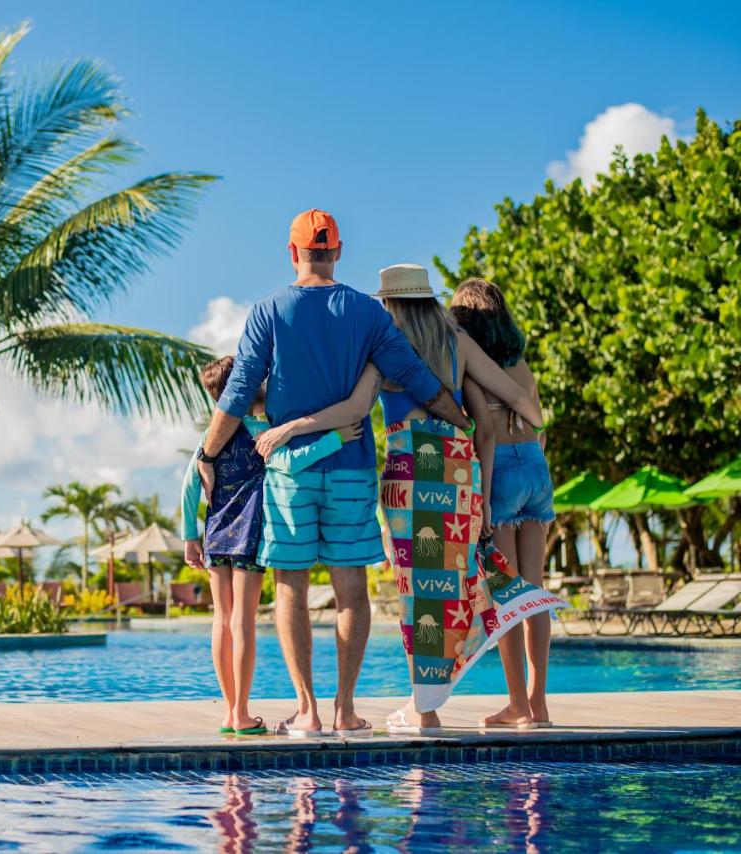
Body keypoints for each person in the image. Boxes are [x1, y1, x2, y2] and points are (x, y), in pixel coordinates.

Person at [196, 209, 470, 737]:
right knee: (351, 589)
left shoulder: (268, 310)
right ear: (338, 251)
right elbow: (414, 376)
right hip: (350, 469)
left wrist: (208, 455)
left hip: (290, 474)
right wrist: (459, 421)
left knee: (291, 586)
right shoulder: (369, 314)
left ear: (292, 252)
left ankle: (308, 711)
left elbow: (237, 392)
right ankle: (345, 707)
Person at [372, 263, 560, 734]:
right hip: (500, 470)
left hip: (447, 474)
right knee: (523, 594)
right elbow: (530, 411)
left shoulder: (397, 346)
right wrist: (526, 424)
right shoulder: (485, 353)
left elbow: (477, 429)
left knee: (475, 594)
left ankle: (475, 704)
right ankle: (535, 702)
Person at [181, 355, 361, 735]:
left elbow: (189, 486)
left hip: (215, 533)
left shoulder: (209, 439)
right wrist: (336, 438)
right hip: (250, 533)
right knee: (242, 619)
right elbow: (292, 463)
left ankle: (230, 712)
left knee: (222, 620)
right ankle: (243, 713)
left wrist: (188, 536)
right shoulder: (261, 432)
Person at [450, 277, 555, 729]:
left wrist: (486, 501)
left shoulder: (476, 368)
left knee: (508, 599)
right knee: (536, 591)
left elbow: (485, 437)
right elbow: (540, 427)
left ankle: (516, 704)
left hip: (502, 474)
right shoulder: (523, 365)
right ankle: (539, 703)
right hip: (535, 464)